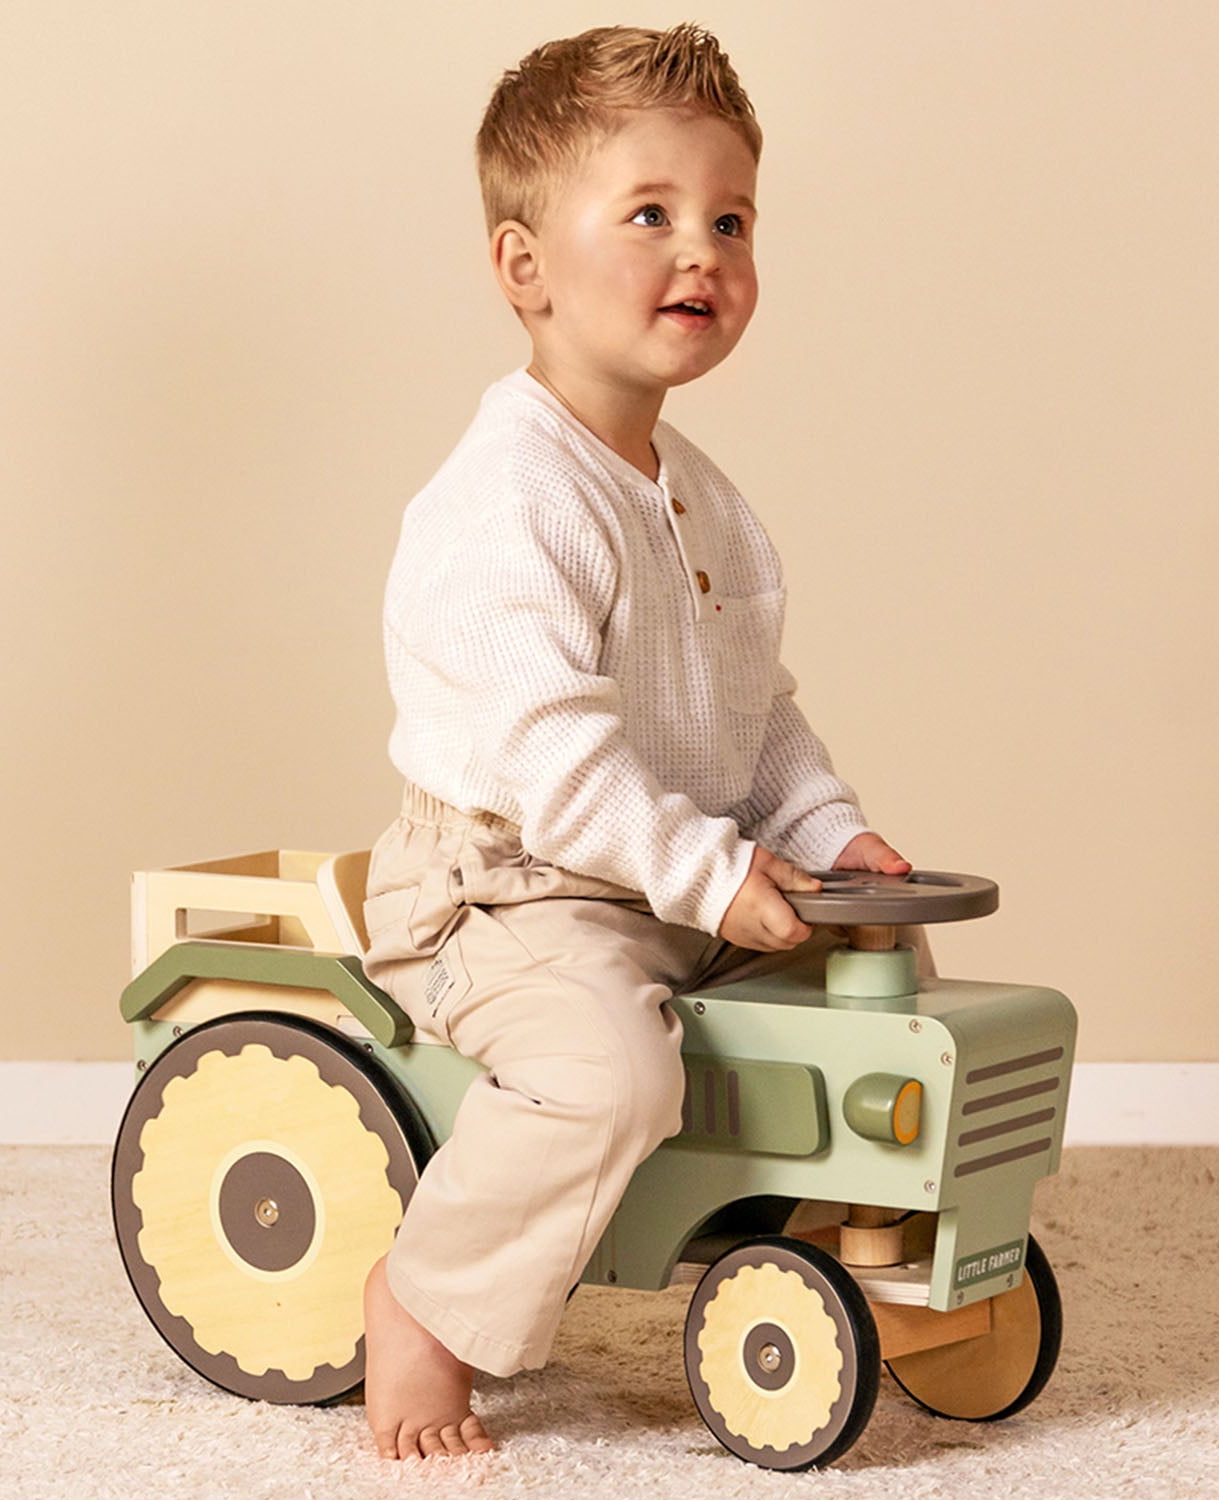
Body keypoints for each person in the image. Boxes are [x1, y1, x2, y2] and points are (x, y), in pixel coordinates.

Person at [359, 23, 929, 1461]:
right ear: (525, 268)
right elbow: (555, 760)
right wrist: (714, 874)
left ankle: (830, 1245)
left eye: (731, 221)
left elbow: (756, 714)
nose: (702, 253)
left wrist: (827, 837)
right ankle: (425, 1305)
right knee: (608, 1066)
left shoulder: (705, 500)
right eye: (651, 215)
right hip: (508, 890)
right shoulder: (510, 496)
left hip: (664, 878)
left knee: (880, 980)